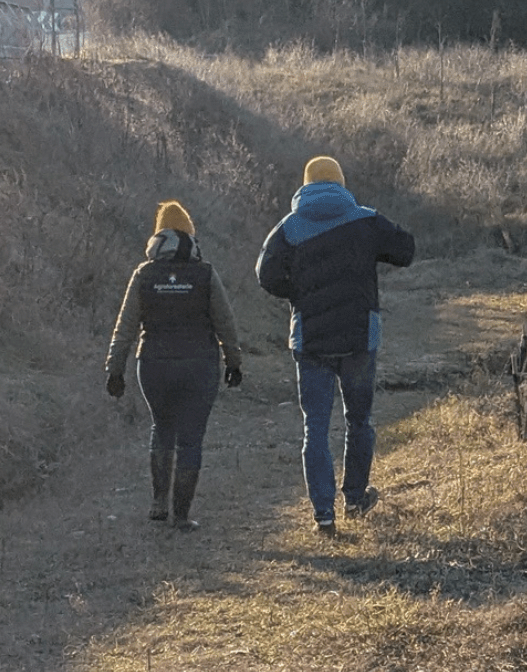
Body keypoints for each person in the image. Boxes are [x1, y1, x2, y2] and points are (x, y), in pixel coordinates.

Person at [255, 156, 415, 535]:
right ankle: (356, 498)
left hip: (311, 340)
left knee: (315, 427)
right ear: (341, 183)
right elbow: (406, 250)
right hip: (360, 337)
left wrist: (300, 294)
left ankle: (324, 516)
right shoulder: (365, 219)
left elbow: (265, 275)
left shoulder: (289, 228)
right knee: (359, 420)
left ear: (305, 185)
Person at [105, 200, 244, 531]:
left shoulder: (144, 274)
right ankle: (181, 515)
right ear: (190, 234)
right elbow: (226, 323)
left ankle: (158, 502)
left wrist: (115, 369)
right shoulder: (205, 274)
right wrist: (233, 361)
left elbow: (125, 326)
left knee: (161, 429)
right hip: (199, 365)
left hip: (153, 364)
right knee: (191, 440)